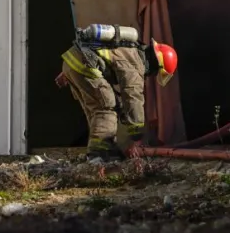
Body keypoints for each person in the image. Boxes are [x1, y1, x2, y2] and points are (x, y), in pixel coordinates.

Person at [56, 30, 178, 161]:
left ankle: (107, 148)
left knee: (97, 109)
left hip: (73, 62)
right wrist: (136, 137)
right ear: (155, 63)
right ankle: (98, 156)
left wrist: (69, 71)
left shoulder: (130, 50)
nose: (152, 75)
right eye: (156, 72)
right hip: (84, 64)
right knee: (106, 108)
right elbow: (133, 99)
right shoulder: (136, 63)